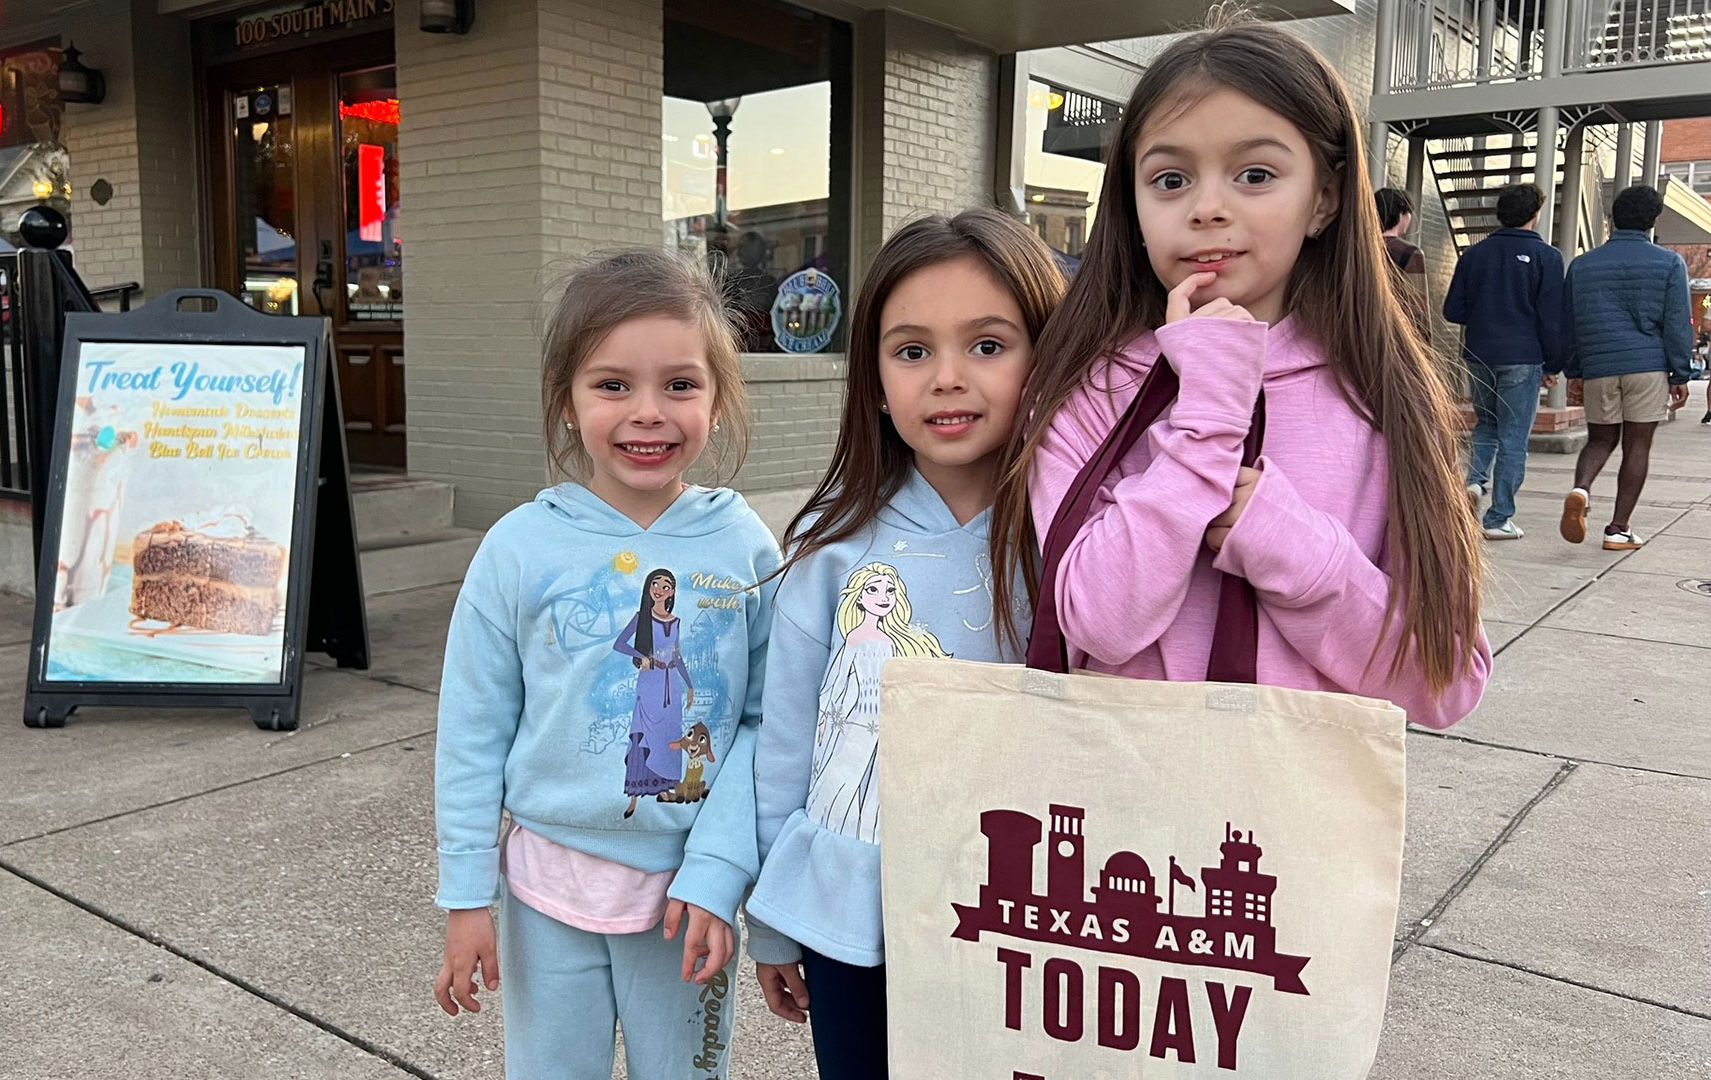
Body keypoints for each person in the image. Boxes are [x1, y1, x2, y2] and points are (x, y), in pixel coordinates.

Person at [992, 18, 1491, 733]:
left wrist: (1290, 544)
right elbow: (1096, 622)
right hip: (1120, 822)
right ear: (1131, 206)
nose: (1207, 207)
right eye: (1169, 179)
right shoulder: (1085, 384)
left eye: (1255, 174)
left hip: (1295, 825)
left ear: (1324, 198)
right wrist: (1206, 420)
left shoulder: (1380, 394)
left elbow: (1445, 682)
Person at [432, 248, 780, 1079]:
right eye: (613, 384)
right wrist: (465, 895)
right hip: (545, 890)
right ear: (567, 399)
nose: (648, 413)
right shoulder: (517, 549)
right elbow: (473, 728)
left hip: (691, 900)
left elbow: (773, 728)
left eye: (681, 385)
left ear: (720, 398)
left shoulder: (745, 548)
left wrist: (730, 878)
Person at [743, 210, 1064, 1079]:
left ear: (1049, 354)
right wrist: (775, 916)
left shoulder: (1081, 542)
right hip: (856, 913)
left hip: (1026, 917)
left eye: (989, 345)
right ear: (875, 380)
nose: (948, 378)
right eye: (912, 350)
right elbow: (788, 744)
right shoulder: (829, 543)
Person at [1557, 184, 1697, 551]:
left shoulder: (1583, 265)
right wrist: (1680, 373)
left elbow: (1570, 323)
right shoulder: (1669, 263)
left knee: (1601, 439)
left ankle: (1581, 489)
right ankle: (1618, 529)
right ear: (1652, 221)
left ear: (1613, 218)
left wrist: (1575, 370)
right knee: (1638, 447)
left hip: (1600, 365)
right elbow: (1677, 323)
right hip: (1647, 366)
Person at [1441, 183, 1565, 540]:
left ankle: (1474, 482)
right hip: (1523, 355)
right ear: (1535, 213)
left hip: (1480, 353)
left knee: (1486, 425)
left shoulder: (1474, 255)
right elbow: (1550, 317)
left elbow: (1453, 309)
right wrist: (1553, 364)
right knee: (1514, 436)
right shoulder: (1547, 257)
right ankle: (1499, 518)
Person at [1376, 185, 1431, 342]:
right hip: (1395, 340)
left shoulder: (1356, 248)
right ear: (1402, 215)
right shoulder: (1410, 253)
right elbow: (1418, 310)